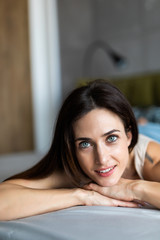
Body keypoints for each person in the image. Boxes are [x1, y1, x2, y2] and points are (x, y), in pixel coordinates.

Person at [0, 79, 160, 221]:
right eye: (85, 144)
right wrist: (80, 196)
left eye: (111, 138)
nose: (102, 159)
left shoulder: (150, 160)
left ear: (129, 136)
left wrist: (133, 188)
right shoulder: (73, 168)